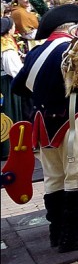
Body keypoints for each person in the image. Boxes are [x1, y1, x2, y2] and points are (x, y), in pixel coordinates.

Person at [12, 4, 78, 252]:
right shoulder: (71, 50)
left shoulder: (37, 52)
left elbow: (19, 87)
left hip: (43, 122)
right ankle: (72, 235)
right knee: (77, 175)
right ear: (72, 29)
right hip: (72, 120)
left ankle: (56, 233)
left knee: (53, 178)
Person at [1, 16, 24, 161]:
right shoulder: (7, 47)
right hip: (6, 85)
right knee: (8, 114)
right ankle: (6, 148)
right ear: (9, 30)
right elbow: (14, 70)